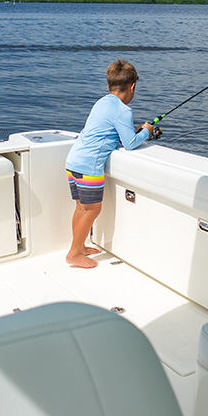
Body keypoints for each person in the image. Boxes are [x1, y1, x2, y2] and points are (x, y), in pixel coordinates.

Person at [64, 59, 154, 268]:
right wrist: (147, 132)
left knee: (80, 208)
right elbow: (130, 144)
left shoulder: (102, 102)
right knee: (92, 210)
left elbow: (111, 131)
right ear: (132, 87)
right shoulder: (124, 111)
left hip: (74, 160)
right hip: (89, 166)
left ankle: (80, 246)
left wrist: (134, 130)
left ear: (108, 86)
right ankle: (74, 253)